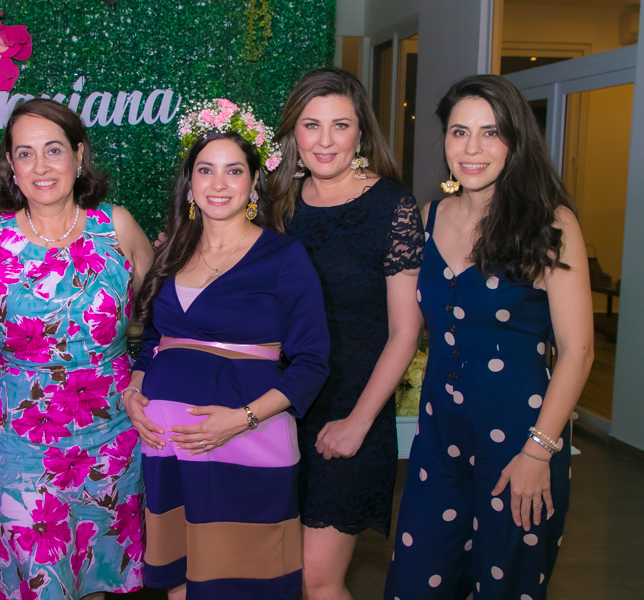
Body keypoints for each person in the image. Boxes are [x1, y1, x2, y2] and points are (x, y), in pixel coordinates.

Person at [385, 75, 594, 599]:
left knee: (506, 587)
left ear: (516, 142)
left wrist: (539, 453)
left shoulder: (551, 224)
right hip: (439, 439)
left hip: (522, 439)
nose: (472, 149)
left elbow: (578, 351)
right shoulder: (429, 217)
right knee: (415, 581)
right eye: (460, 133)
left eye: (490, 133)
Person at [123, 99, 330, 600]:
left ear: (254, 181)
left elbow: (311, 362)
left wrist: (243, 419)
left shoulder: (284, 256)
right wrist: (133, 389)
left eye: (234, 170)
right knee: (179, 582)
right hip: (168, 447)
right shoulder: (171, 251)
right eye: (205, 170)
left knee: (244, 582)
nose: (218, 183)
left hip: (248, 441)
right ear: (189, 182)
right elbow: (152, 340)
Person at [0, 99, 153, 600]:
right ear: (10, 164)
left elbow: (165, 318)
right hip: (19, 445)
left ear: (79, 154)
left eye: (54, 150)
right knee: (39, 581)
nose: (41, 166)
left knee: (99, 579)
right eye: (25, 153)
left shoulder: (117, 227)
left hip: (112, 438)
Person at [265, 67, 426, 600]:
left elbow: (405, 331)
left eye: (341, 125)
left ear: (361, 133)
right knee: (278, 572)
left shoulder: (392, 206)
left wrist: (359, 422)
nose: (325, 140)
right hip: (278, 408)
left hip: (352, 411)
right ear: (294, 132)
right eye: (311, 125)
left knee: (318, 578)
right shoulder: (276, 206)